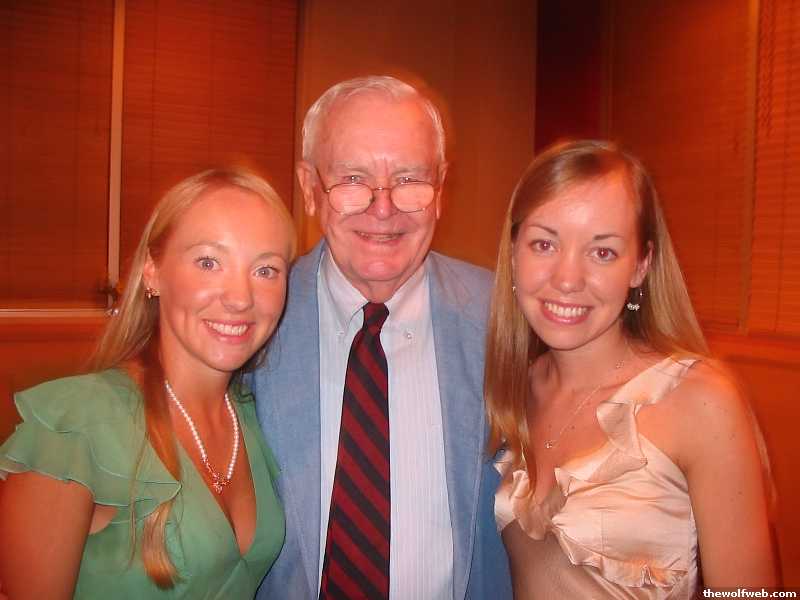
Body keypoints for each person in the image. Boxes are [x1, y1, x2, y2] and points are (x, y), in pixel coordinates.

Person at [250, 75, 512, 599]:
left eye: (409, 179)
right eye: (353, 179)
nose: (383, 207)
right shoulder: (251, 321)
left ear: (440, 189)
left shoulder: (505, 318)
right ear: (309, 188)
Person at [485, 139, 776, 598]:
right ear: (514, 252)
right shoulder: (511, 391)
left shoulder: (699, 400)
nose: (567, 279)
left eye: (602, 252)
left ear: (641, 266)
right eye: (544, 244)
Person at [0, 168, 297, 599]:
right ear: (153, 272)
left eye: (266, 270)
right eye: (209, 262)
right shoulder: (74, 429)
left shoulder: (256, 417)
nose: (240, 298)